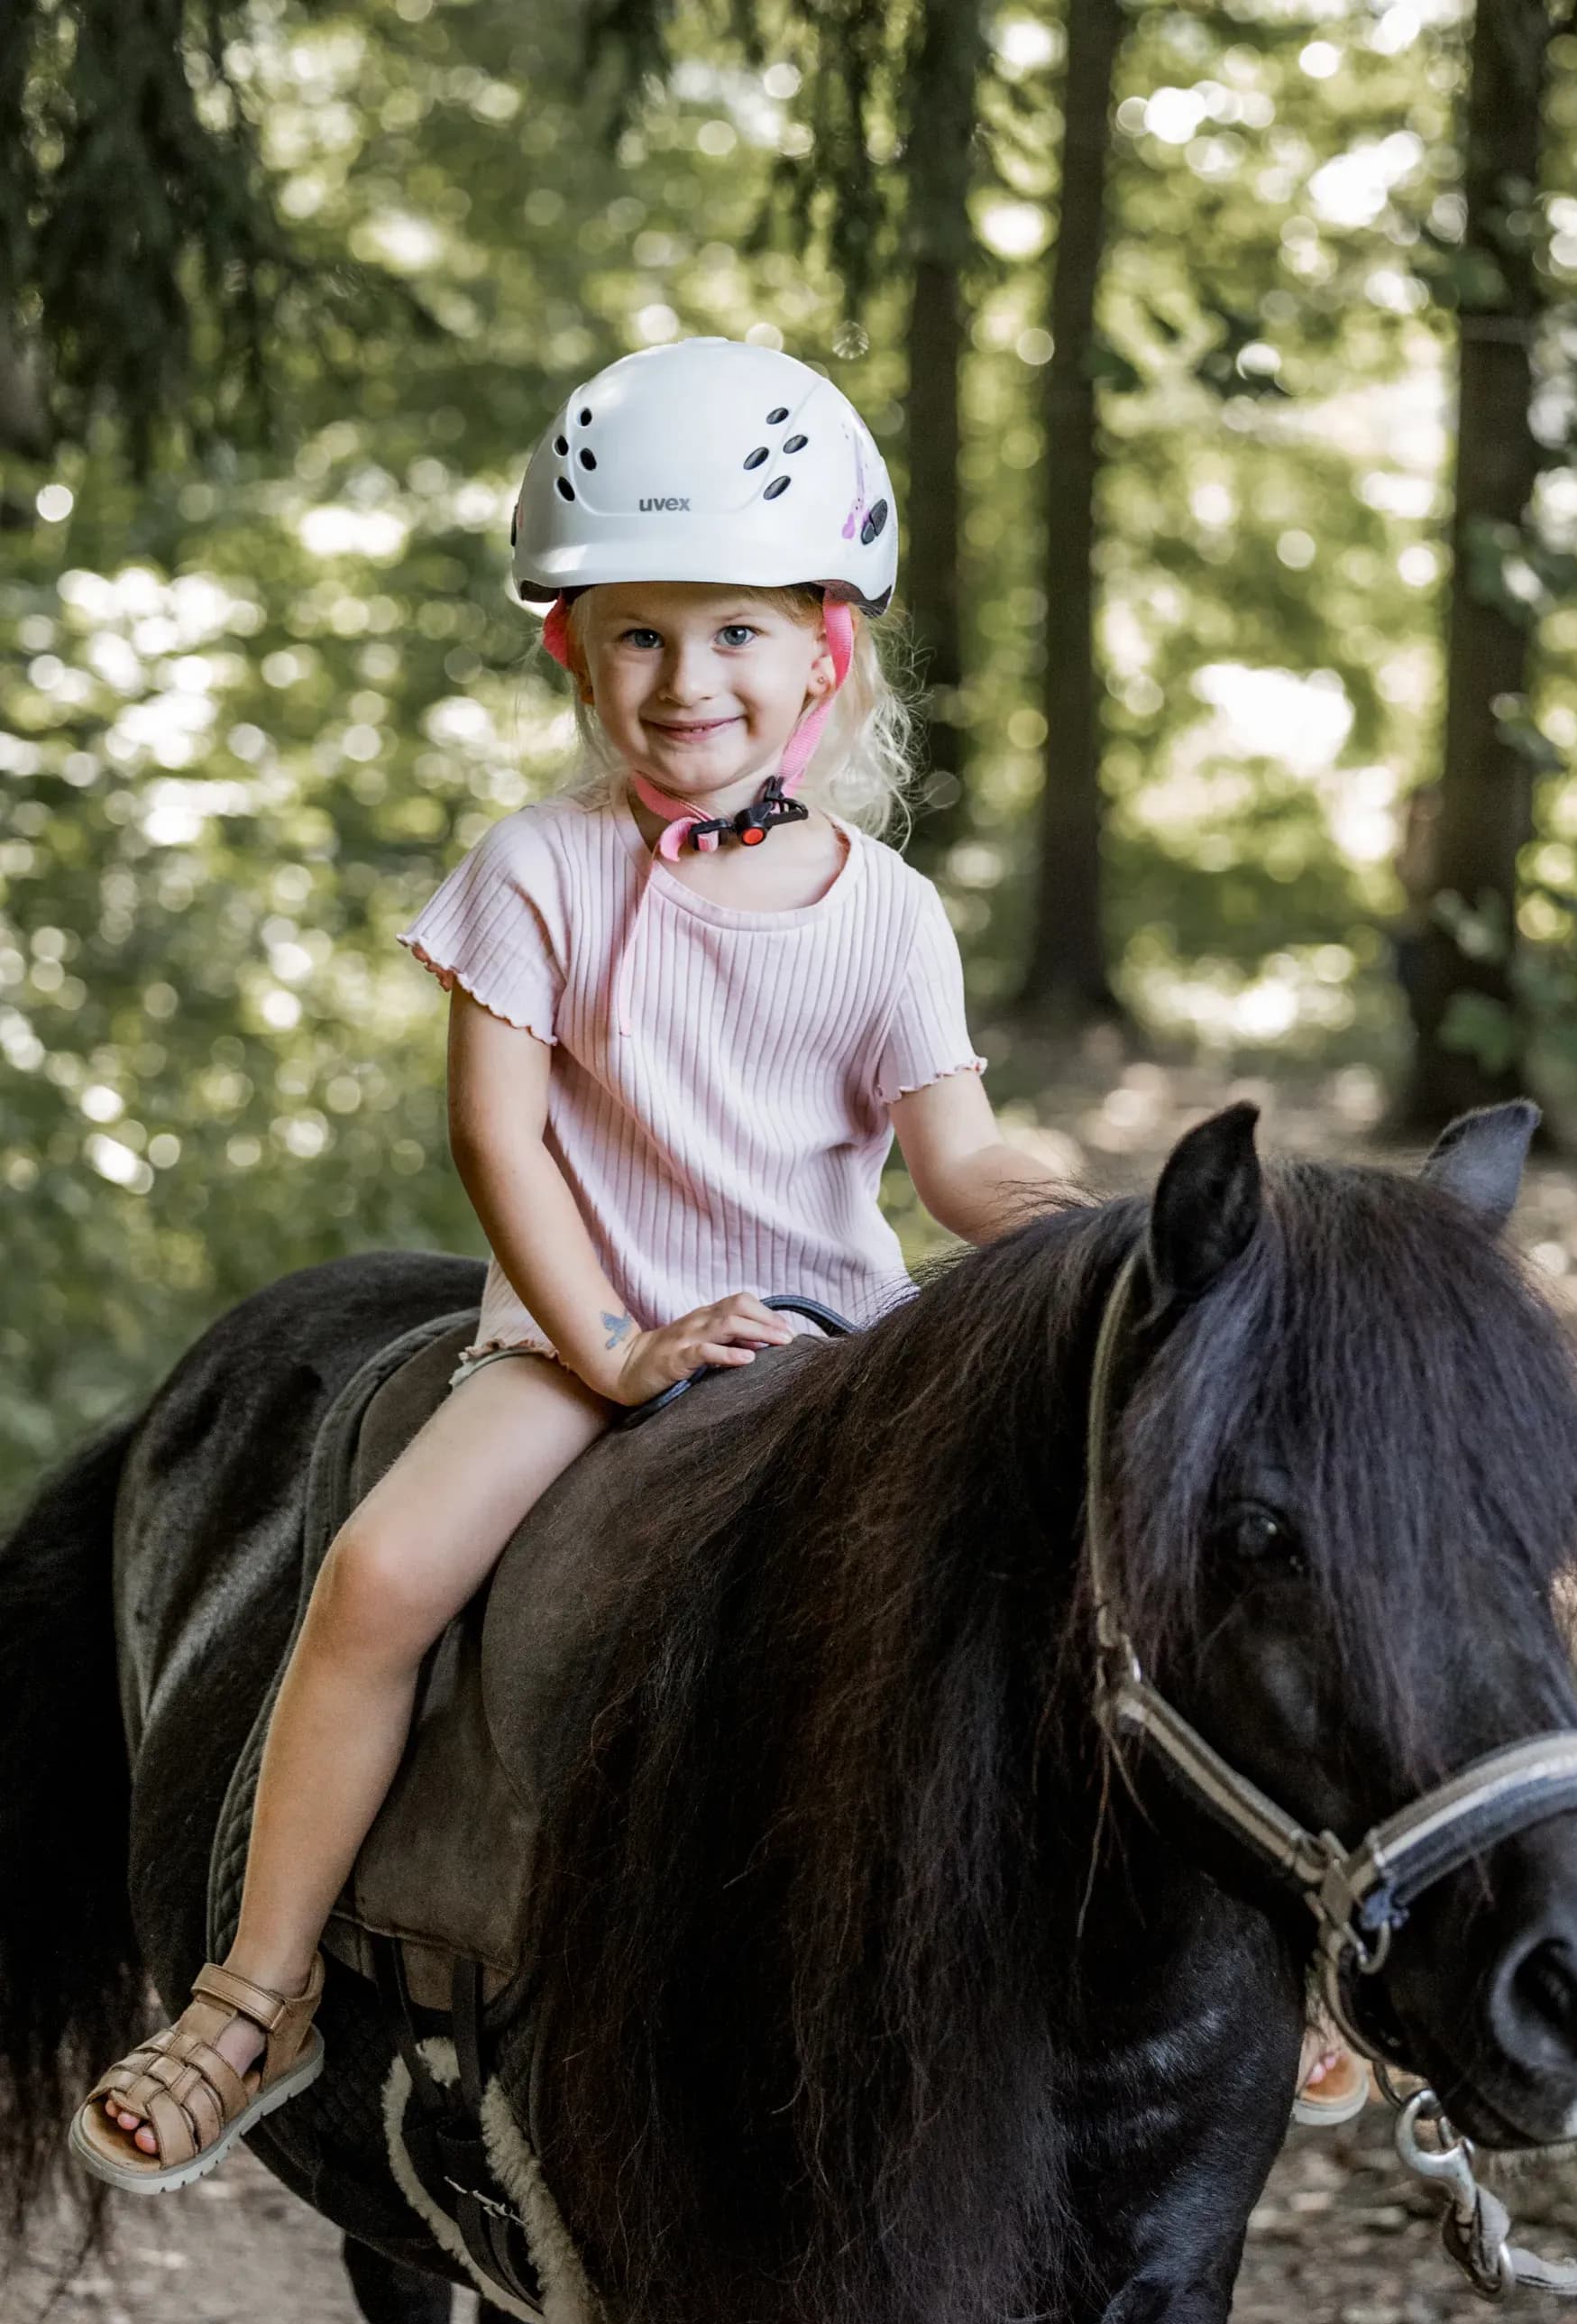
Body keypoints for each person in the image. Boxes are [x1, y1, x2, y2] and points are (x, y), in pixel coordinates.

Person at [69, 337, 1357, 2189]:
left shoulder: (888, 915)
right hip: (577, 1342)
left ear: (822, 653)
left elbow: (957, 1156)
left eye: (738, 631)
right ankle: (259, 1990)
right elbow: (498, 1136)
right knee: (373, 1576)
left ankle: (1283, 1960)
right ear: (571, 654)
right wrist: (610, 1345)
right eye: (641, 636)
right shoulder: (540, 870)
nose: (690, 681)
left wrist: (1109, 1237)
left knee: (1099, 1594)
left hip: (840, 1351)